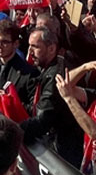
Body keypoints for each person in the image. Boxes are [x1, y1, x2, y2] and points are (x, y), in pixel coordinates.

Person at [19, 28, 82, 165]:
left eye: (35, 47)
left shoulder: (55, 75)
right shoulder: (45, 69)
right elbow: (39, 106)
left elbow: (44, 119)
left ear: (52, 48)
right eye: (29, 46)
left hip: (61, 152)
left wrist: (13, 130)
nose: (30, 52)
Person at [0, 19, 37, 118]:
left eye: (5, 42)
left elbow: (34, 110)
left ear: (16, 44)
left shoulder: (29, 73)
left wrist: (10, 102)